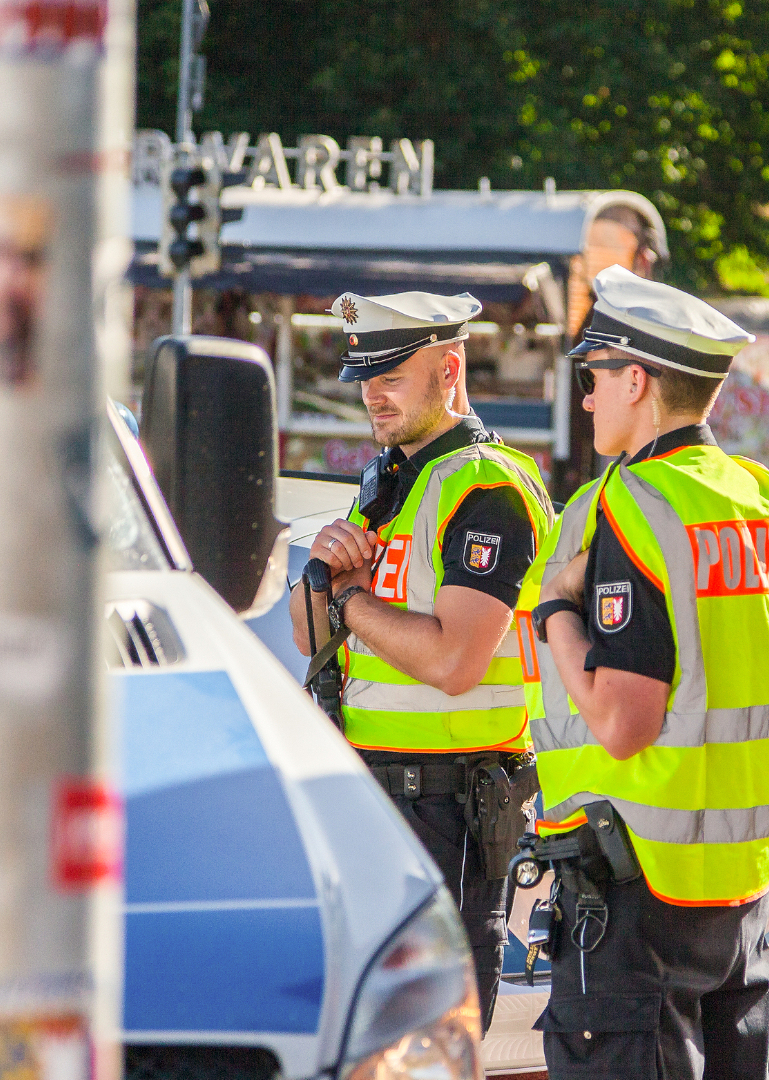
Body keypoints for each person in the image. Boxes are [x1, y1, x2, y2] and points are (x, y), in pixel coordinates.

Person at [524, 265, 769, 1080]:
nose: (587, 401)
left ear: (637, 381)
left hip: (634, 893)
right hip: (739, 903)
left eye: (594, 380)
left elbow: (624, 724)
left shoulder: (633, 508)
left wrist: (556, 611)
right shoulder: (768, 505)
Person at [288, 289, 553, 1029]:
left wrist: (348, 603)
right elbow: (309, 637)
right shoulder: (389, 481)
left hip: (452, 807)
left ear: (449, 367)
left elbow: (452, 663)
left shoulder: (487, 486)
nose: (373, 393)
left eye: (392, 374)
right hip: (379, 793)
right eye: (365, 377)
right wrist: (322, 570)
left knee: (435, 1031)